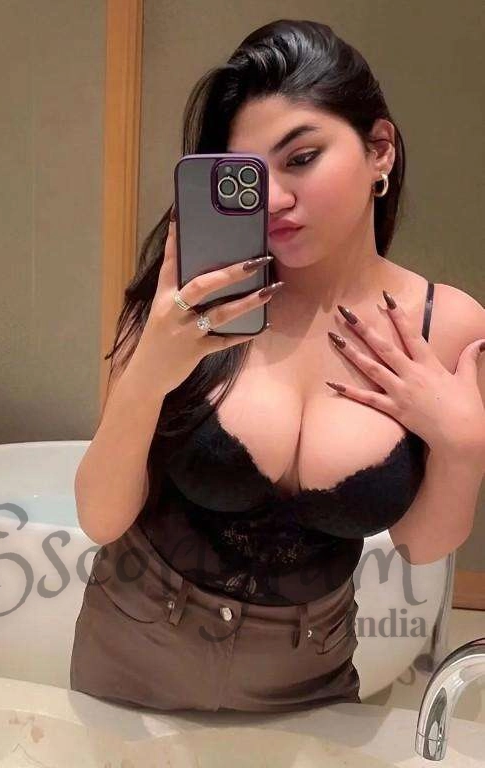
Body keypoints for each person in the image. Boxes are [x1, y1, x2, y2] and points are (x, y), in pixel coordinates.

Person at [70, 19, 485, 713]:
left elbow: (420, 545)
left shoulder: (444, 327)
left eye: (301, 158)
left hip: (309, 673)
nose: (273, 199)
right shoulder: (191, 301)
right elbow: (101, 516)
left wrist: (464, 447)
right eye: (247, 176)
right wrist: (148, 371)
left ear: (379, 150)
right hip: (135, 649)